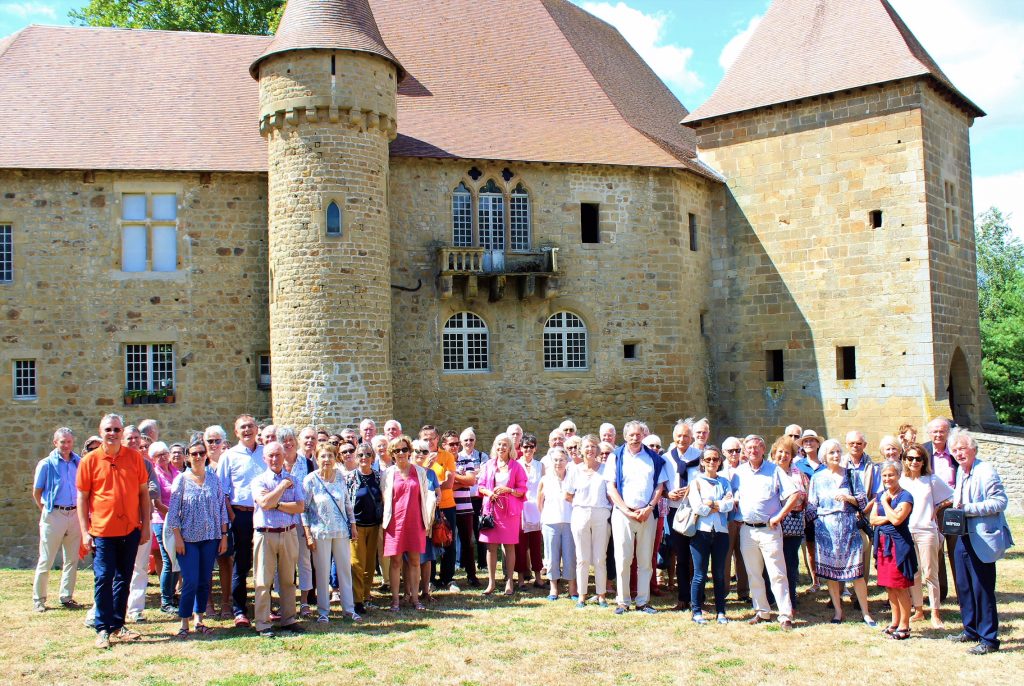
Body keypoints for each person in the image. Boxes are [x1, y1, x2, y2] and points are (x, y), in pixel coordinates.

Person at [77, 414, 150, 649]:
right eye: (108, 429)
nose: (113, 433)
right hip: (102, 530)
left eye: (117, 429)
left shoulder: (134, 458)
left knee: (123, 579)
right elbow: (82, 497)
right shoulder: (90, 460)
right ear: (101, 432)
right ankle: (102, 628)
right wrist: (85, 531)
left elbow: (143, 493)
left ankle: (118, 625)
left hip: (129, 530)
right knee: (103, 578)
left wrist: (145, 525)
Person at [946, 430, 1013, 655]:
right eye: (954, 450)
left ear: (973, 448)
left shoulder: (985, 471)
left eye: (962, 449)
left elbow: (1000, 501)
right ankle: (970, 630)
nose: (958, 454)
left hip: (982, 537)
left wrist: (969, 510)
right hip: (963, 536)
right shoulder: (962, 471)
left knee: (982, 589)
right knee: (964, 586)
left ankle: (989, 639)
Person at [730, 434, 798, 630]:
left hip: (769, 529)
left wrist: (780, 515)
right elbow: (733, 497)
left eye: (757, 447)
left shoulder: (774, 470)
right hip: (747, 530)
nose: (753, 451)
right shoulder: (739, 473)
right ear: (745, 451)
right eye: (749, 448)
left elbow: (794, 494)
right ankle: (762, 611)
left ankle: (785, 614)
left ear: (763, 449)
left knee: (777, 573)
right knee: (753, 572)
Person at [806, 438, 874, 625]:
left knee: (857, 573)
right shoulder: (817, 478)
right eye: (831, 453)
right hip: (826, 530)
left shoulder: (851, 475)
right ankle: (838, 611)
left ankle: (866, 613)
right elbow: (812, 506)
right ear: (824, 458)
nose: (836, 455)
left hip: (848, 528)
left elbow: (862, 501)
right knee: (831, 574)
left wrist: (848, 497)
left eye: (838, 451)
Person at [166, 436, 229, 639]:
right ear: (188, 457)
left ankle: (199, 619)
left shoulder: (213, 479)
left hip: (211, 538)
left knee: (204, 581)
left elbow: (221, 509)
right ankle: (184, 621)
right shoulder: (181, 481)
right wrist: (177, 538)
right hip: (188, 540)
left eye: (202, 453)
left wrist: (224, 535)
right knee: (190, 580)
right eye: (194, 454)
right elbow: (173, 513)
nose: (199, 456)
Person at [605, 420, 667, 615]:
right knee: (623, 558)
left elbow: (660, 486)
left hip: (646, 515)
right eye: (631, 434)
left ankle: (642, 601)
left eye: (638, 434)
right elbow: (611, 486)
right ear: (625, 436)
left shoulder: (653, 458)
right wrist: (626, 510)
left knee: (645, 560)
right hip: (623, 514)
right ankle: (623, 601)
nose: (635, 437)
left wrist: (649, 508)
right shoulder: (616, 456)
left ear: (643, 436)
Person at [251, 441, 306, 638]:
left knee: (288, 580)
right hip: (265, 534)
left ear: (284, 457)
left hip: (288, 532)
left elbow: (300, 506)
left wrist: (277, 504)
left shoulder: (295, 480)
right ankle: (263, 623)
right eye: (271, 456)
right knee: (263, 581)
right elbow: (264, 503)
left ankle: (288, 619)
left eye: (278, 455)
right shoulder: (259, 481)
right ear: (264, 459)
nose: (275, 459)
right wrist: (282, 487)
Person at [216, 415, 265, 627]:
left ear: (257, 429)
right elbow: (222, 490)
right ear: (236, 432)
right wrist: (232, 515)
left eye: (250, 427)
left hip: (264, 513)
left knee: (265, 562)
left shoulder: (265, 453)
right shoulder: (229, 456)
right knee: (242, 563)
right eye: (243, 428)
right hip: (241, 514)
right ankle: (239, 610)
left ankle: (265, 607)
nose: (247, 430)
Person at [303, 443, 359, 624]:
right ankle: (323, 612)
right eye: (323, 456)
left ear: (336, 458)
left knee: (344, 570)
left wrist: (353, 525)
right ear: (317, 458)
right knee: (322, 572)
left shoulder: (341, 477)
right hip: (320, 532)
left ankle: (349, 609)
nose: (327, 460)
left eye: (330, 456)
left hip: (341, 530)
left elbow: (348, 503)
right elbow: (303, 509)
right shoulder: (310, 480)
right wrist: (308, 534)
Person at [900, 442, 953, 628]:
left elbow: (952, 495)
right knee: (914, 573)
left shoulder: (931, 480)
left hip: (927, 531)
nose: (914, 462)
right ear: (905, 460)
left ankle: (935, 613)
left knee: (930, 573)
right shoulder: (902, 481)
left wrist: (937, 506)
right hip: (907, 531)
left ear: (924, 461)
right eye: (910, 458)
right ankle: (919, 610)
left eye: (918, 458)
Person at [32, 427, 83, 612]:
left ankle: (66, 596)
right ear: (55, 443)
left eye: (69, 441)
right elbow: (37, 492)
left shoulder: (79, 462)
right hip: (55, 513)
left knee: (71, 559)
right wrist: (47, 511)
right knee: (46, 559)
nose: (66, 445)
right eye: (62, 442)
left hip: (74, 513)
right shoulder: (46, 464)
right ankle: (39, 599)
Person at [381, 435, 434, 611]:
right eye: (397, 450)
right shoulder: (388, 474)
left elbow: (425, 496)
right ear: (392, 454)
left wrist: (426, 521)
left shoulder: (419, 472)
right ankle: (395, 600)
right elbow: (385, 498)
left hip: (415, 521)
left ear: (409, 451)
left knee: (414, 561)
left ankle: (415, 598)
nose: (401, 453)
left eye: (404, 449)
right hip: (394, 522)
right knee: (395, 562)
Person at [869, 459, 917, 639]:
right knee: (889, 586)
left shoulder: (905, 496)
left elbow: (898, 520)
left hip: (899, 545)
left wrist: (886, 505)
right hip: (882, 544)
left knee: (900, 586)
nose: (887, 478)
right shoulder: (881, 495)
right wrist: (890, 515)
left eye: (891, 475)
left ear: (899, 475)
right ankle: (894, 621)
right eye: (884, 475)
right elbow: (873, 520)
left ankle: (905, 625)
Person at [687, 445, 734, 624]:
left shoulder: (724, 482)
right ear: (702, 462)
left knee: (719, 573)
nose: (712, 462)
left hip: (721, 532)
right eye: (708, 459)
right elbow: (697, 507)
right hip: (701, 532)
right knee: (699, 574)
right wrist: (718, 505)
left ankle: (721, 611)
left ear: (720, 461)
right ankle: (696, 611)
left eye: (715, 459)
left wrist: (712, 504)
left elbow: (729, 505)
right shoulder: (696, 482)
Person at [477, 433, 528, 596]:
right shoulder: (488, 465)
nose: (501, 447)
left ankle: (509, 582)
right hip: (491, 510)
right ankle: (491, 582)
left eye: (505, 444)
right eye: (499, 444)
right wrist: (489, 492)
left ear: (510, 447)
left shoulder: (516, 466)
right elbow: (480, 486)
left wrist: (509, 490)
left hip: (509, 511)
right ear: (495, 446)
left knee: (509, 546)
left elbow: (522, 489)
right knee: (490, 547)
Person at [567, 434, 611, 608]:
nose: (590, 449)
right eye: (587, 446)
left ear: (597, 449)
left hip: (601, 513)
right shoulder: (574, 470)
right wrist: (583, 504)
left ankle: (601, 595)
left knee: (600, 557)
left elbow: (610, 492)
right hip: (580, 514)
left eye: (593, 446)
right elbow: (568, 494)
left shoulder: (606, 469)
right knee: (582, 558)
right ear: (581, 450)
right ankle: (582, 596)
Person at [767, 436, 807, 614]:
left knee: (790, 563)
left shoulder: (799, 475)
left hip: (792, 525)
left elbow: (803, 498)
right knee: (770, 562)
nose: (783, 456)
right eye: (780, 452)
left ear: (792, 456)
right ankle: (770, 598)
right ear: (774, 454)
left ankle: (791, 599)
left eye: (787, 453)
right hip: (771, 525)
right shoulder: (768, 472)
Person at [663, 420, 701, 611]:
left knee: (697, 556)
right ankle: (683, 597)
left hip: (696, 512)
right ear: (673, 437)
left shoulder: (701, 457)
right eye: (678, 435)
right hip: (675, 511)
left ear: (691, 437)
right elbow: (661, 485)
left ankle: (698, 598)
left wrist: (692, 492)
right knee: (681, 556)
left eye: (686, 436)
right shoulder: (666, 458)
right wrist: (667, 494)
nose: (682, 439)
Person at [124, 425, 160, 624]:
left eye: (136, 438)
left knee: (140, 567)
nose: (134, 442)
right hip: (121, 523)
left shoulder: (145, 465)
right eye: (129, 438)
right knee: (119, 569)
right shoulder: (117, 462)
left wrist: (136, 493)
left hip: (142, 520)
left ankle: (135, 609)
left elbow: (154, 489)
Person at [280, 426, 315, 616]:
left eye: (291, 439)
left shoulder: (307, 464)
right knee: (282, 563)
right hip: (281, 519)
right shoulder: (275, 464)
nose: (288, 443)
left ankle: (304, 602)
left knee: (304, 560)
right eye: (284, 440)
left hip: (303, 519)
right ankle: (286, 601)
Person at [924, 416, 958, 602]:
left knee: (957, 551)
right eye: (935, 431)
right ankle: (940, 592)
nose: (938, 434)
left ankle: (963, 591)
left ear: (948, 433)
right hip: (931, 509)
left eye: (942, 431)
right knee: (935, 552)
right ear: (929, 433)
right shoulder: (923, 451)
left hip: (954, 508)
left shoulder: (956, 451)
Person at [347, 442, 383, 614]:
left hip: (374, 525)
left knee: (369, 563)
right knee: (356, 563)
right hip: (357, 526)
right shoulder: (350, 478)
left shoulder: (378, 477)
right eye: (360, 455)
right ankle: (357, 599)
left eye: (368, 454)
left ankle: (366, 595)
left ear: (373, 458)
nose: (364, 458)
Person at [421, 426, 458, 591]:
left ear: (437, 439)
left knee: (448, 540)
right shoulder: (419, 457)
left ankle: (448, 578)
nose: (429, 442)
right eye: (425, 439)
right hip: (427, 507)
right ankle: (430, 579)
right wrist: (426, 468)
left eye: (432, 438)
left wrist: (432, 486)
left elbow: (449, 484)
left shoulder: (447, 456)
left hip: (446, 505)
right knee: (430, 541)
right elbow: (418, 483)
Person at [537, 448, 576, 601]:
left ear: (567, 462)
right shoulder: (545, 480)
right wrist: (545, 517)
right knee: (551, 557)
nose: (558, 463)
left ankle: (573, 588)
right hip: (550, 522)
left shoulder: (572, 478)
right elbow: (539, 503)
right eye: (555, 460)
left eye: (561, 460)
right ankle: (553, 589)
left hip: (569, 521)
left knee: (570, 556)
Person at [204, 424, 234, 619]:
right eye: (210, 441)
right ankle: (207, 603)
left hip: (225, 521)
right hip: (205, 522)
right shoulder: (200, 465)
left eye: (217, 441)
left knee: (225, 561)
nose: (214, 445)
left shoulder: (229, 463)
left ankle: (226, 602)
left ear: (223, 442)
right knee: (206, 563)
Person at [149, 441, 180, 614]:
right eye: (158, 455)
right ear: (153, 458)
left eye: (164, 453)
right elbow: (156, 502)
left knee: (176, 559)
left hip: (177, 520)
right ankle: (165, 600)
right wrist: (173, 515)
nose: (163, 457)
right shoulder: (155, 474)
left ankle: (172, 593)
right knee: (168, 559)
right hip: (162, 521)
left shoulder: (176, 472)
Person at [411, 439, 442, 602]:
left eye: (424, 452)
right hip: (412, 521)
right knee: (411, 559)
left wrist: (437, 499)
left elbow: (438, 492)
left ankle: (426, 591)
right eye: (418, 451)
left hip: (427, 522)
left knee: (427, 558)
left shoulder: (431, 474)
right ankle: (409, 593)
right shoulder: (409, 471)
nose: (421, 455)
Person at [454, 427, 485, 588]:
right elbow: (444, 485)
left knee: (468, 540)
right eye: (451, 444)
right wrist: (462, 480)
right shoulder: (445, 460)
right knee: (449, 541)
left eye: (471, 439)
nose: (453, 447)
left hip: (466, 504)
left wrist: (454, 479)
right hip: (449, 505)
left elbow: (471, 481)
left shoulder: (467, 460)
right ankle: (449, 575)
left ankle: (472, 575)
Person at [793, 430, 823, 592]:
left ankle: (839, 583)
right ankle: (815, 581)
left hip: (823, 512)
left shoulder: (825, 465)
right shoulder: (798, 466)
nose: (809, 444)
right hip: (806, 512)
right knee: (810, 547)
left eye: (812, 441)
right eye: (806, 441)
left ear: (818, 444)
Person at [720, 436, 748, 601]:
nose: (735, 454)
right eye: (731, 451)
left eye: (738, 450)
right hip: (727, 518)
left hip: (743, 518)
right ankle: (723, 591)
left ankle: (743, 591)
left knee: (742, 556)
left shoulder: (746, 469)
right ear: (724, 452)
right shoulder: (719, 469)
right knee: (725, 555)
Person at [515, 433, 544, 589]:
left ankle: (538, 577)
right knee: (520, 544)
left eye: (531, 447)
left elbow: (544, 486)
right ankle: (520, 578)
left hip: (536, 507)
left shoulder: (540, 466)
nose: (528, 450)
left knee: (536, 543)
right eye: (525, 447)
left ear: (535, 448)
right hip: (520, 508)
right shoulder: (515, 464)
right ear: (520, 448)